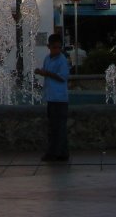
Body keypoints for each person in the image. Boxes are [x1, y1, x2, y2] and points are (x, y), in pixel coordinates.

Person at [34, 33, 70, 163]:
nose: (57, 50)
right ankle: (62, 152)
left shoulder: (62, 60)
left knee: (58, 127)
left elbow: (63, 77)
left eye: (59, 47)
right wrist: (40, 72)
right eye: (54, 47)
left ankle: (54, 153)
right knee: (53, 127)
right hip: (51, 97)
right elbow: (46, 72)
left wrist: (47, 73)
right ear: (48, 46)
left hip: (60, 98)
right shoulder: (47, 59)